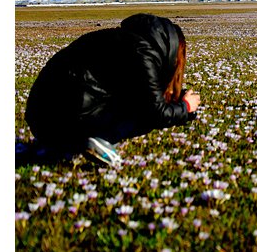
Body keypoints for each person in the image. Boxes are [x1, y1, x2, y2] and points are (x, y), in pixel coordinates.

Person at [24, 13, 201, 166]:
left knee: (139, 102)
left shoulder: (129, 40)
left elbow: (147, 92)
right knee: (142, 112)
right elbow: (154, 110)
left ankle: (78, 140)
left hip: (43, 118)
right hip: (64, 121)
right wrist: (185, 107)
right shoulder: (144, 52)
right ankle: (92, 140)